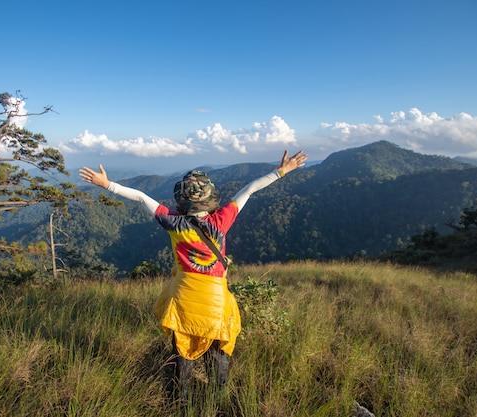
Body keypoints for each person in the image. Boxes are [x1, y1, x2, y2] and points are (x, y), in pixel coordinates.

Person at [79, 149, 308, 400]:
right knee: (219, 344)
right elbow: (250, 189)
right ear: (211, 198)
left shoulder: (173, 223)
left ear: (181, 201)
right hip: (215, 300)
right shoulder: (221, 221)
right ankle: (218, 396)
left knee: (183, 347)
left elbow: (141, 197)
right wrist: (282, 170)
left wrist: (107, 184)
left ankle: (181, 396)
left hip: (184, 299)